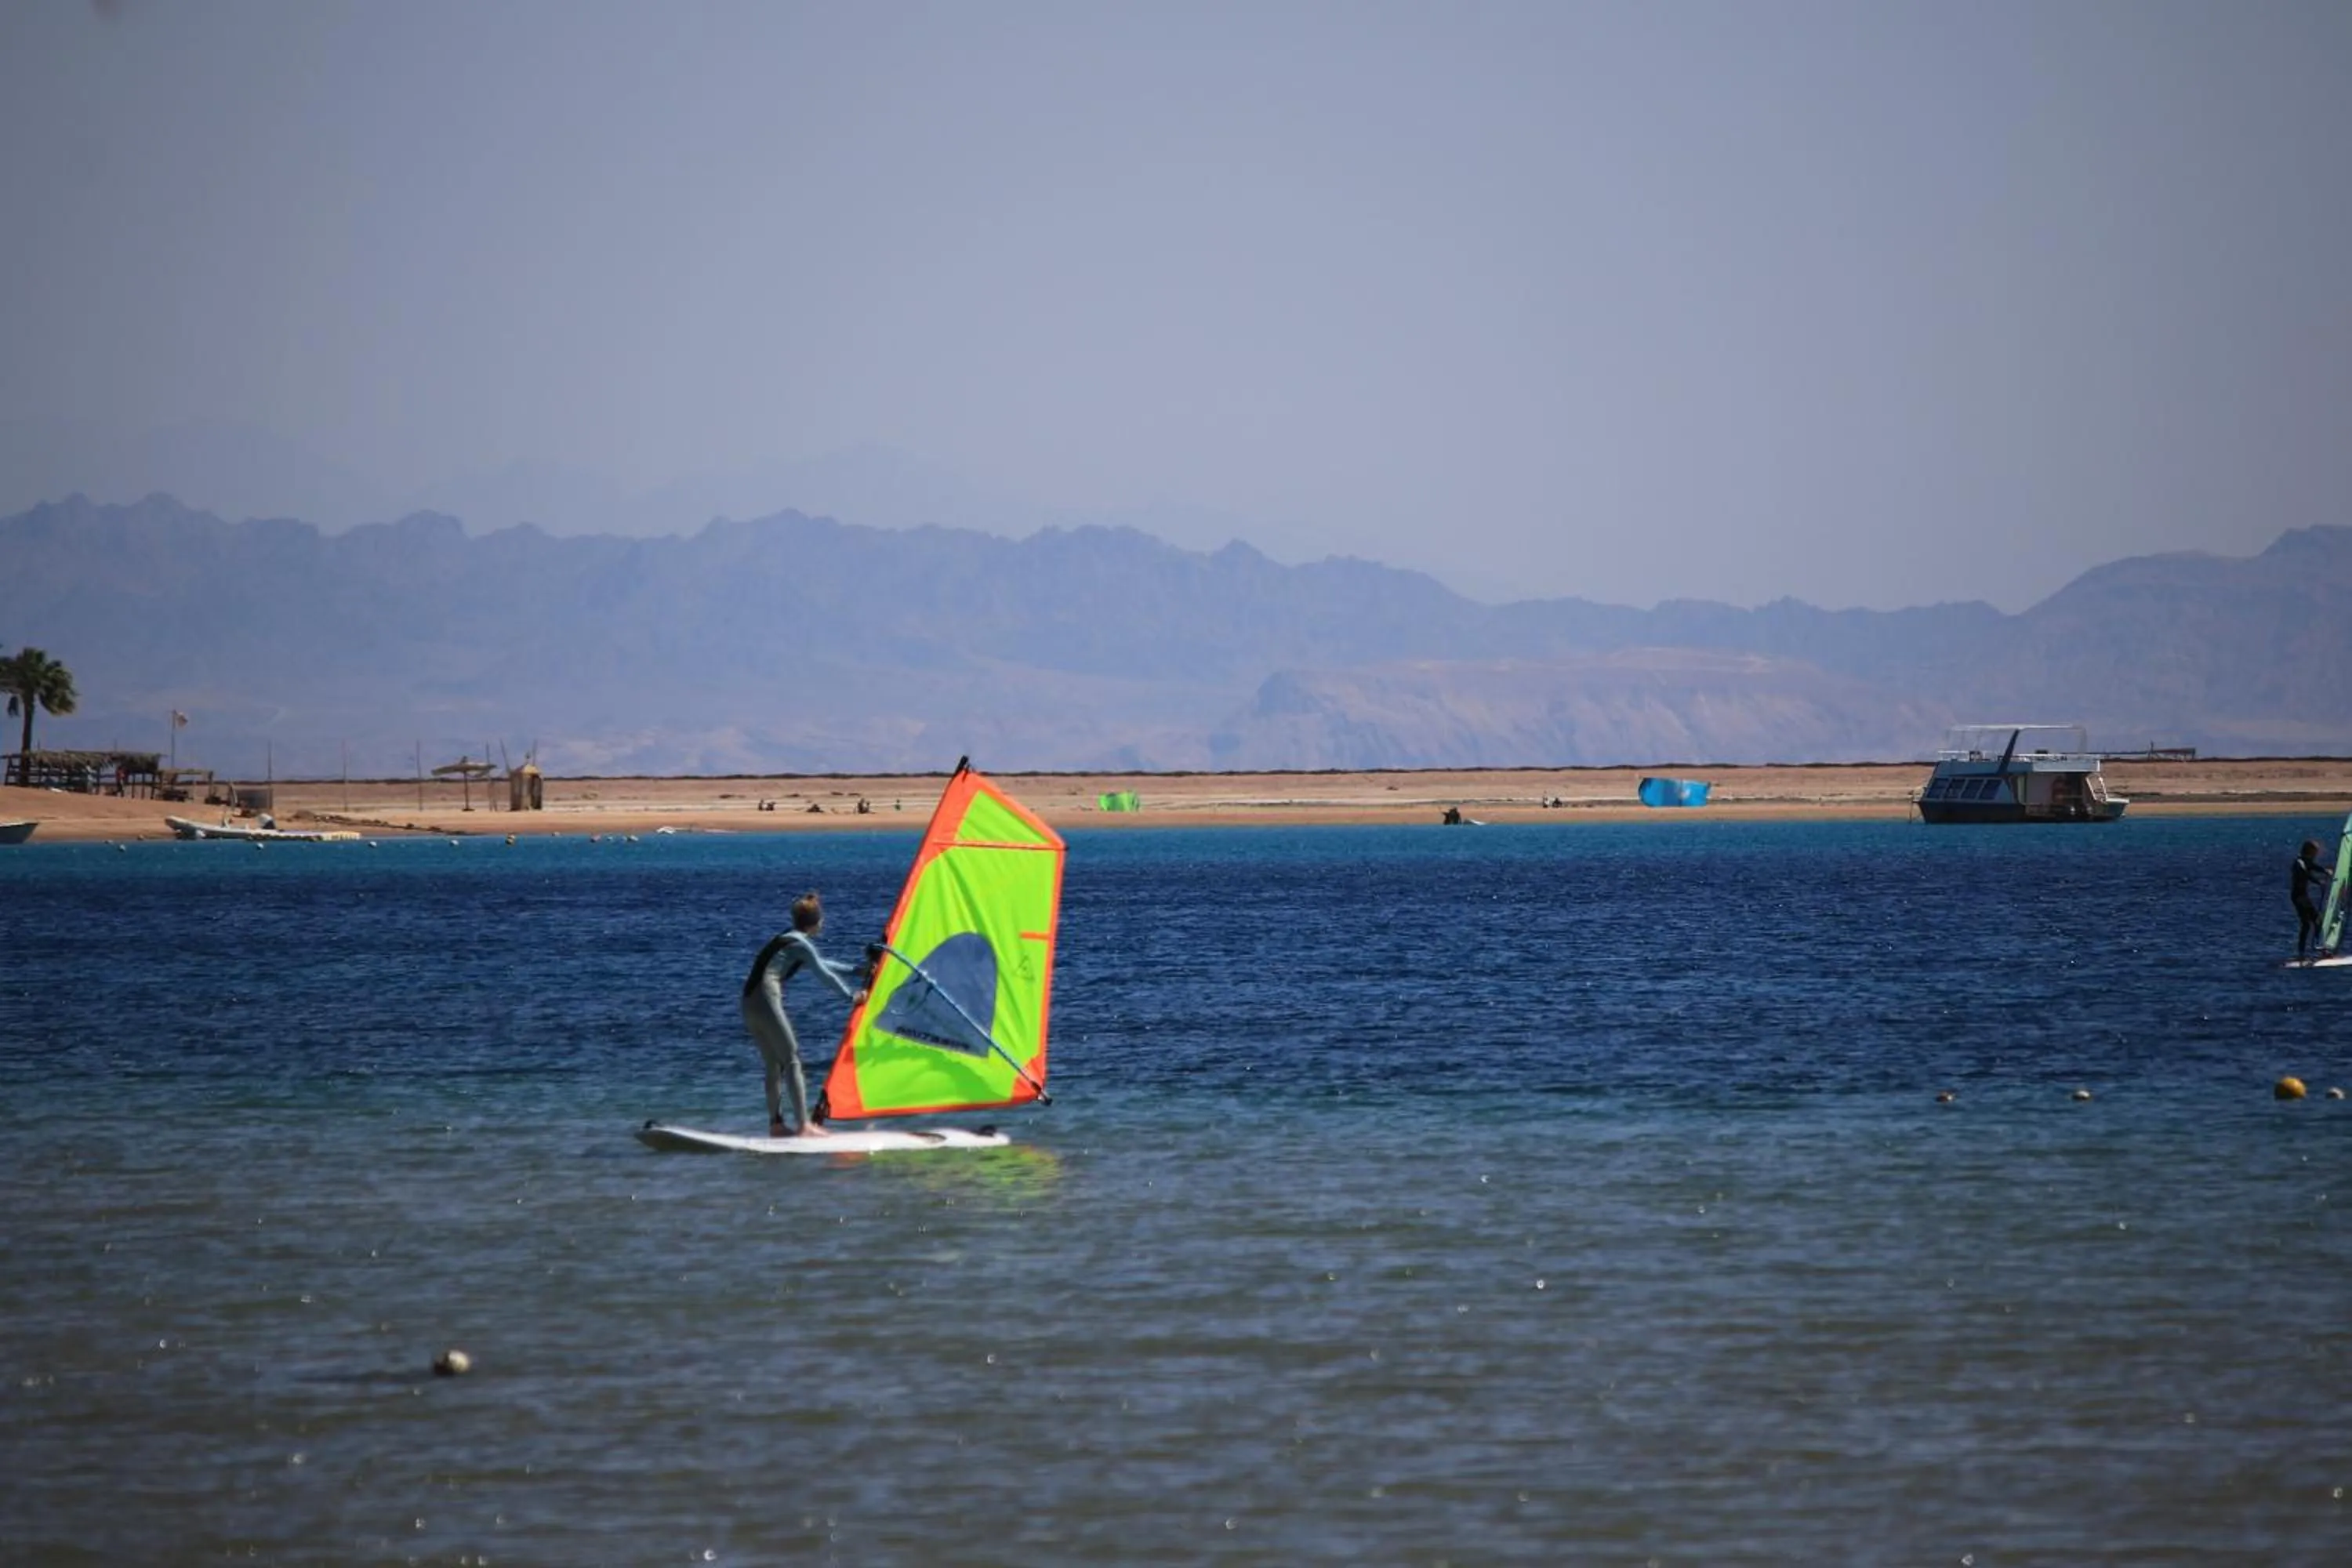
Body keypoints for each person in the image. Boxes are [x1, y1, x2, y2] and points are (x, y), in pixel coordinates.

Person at [742, 891, 866, 1138]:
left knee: (773, 1064)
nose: (823, 922)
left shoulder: (786, 938)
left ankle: (776, 1125)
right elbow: (824, 974)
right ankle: (804, 1126)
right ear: (815, 922)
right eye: (821, 919)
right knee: (792, 1060)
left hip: (748, 1003)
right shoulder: (801, 944)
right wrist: (851, 997)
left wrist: (857, 971)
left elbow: (821, 963)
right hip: (766, 1001)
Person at [2292, 838, 2335, 960]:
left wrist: (2325, 871)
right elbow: (2306, 873)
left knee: (2316, 921)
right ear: (2310, 851)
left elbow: (2313, 866)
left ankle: (2319, 948)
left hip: (2303, 896)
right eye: (2315, 852)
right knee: (2308, 923)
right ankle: (2304, 953)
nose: (2316, 855)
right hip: (2298, 897)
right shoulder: (2299, 863)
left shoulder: (2306, 861)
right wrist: (2318, 882)